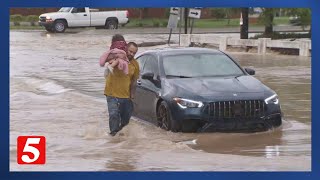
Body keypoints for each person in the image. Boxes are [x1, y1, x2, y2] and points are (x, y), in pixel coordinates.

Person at [104, 40, 139, 136]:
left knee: (125, 120)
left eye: (134, 53)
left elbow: (134, 81)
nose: (131, 54)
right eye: (130, 51)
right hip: (111, 93)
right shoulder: (117, 58)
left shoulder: (135, 64)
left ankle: (120, 136)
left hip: (125, 96)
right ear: (125, 49)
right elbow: (107, 61)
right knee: (114, 114)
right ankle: (113, 135)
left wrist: (132, 95)